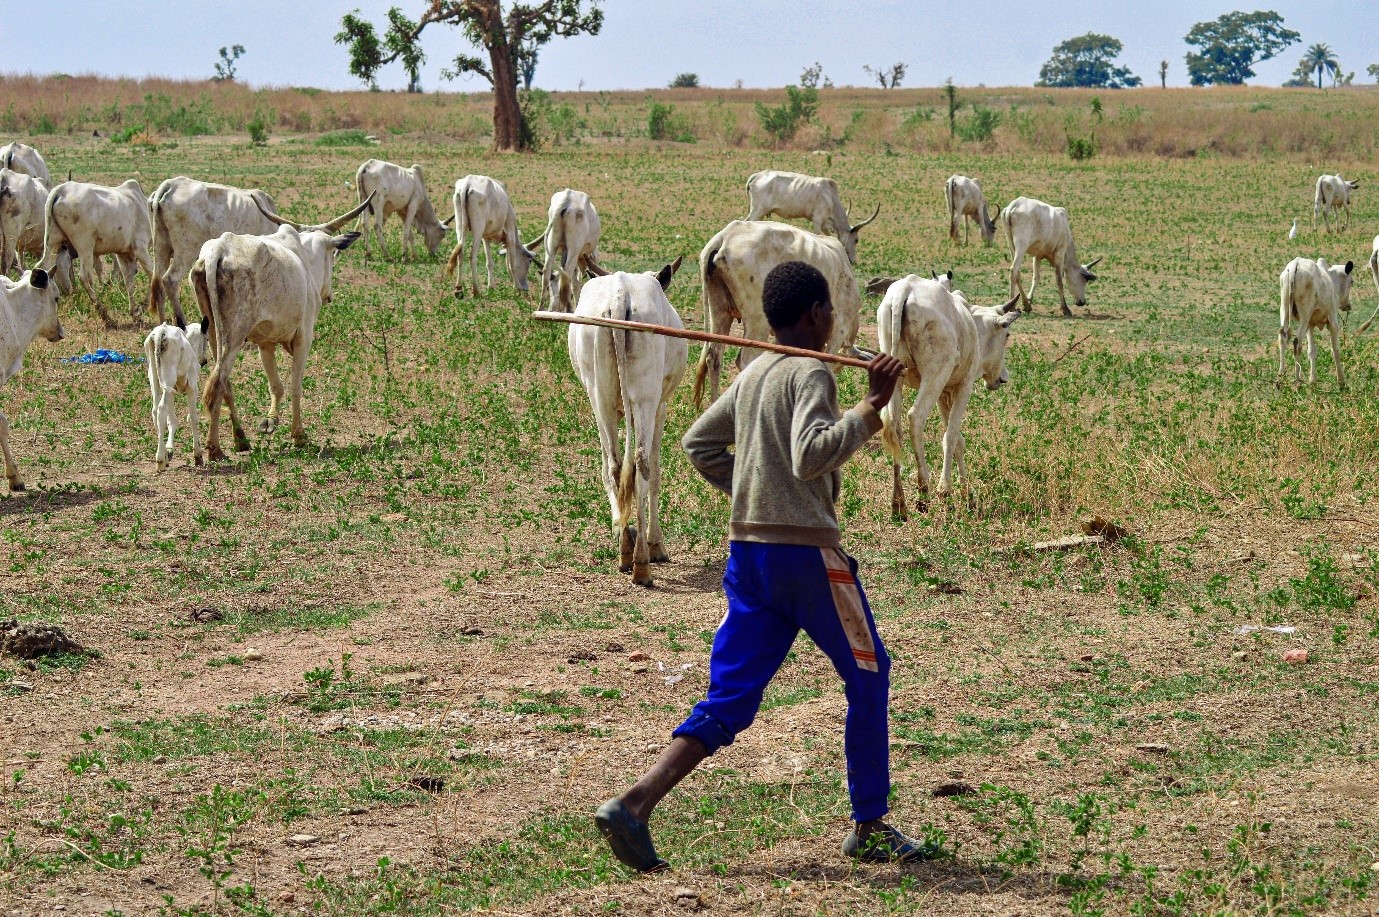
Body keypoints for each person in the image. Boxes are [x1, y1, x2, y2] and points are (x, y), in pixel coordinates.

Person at [595, 260, 933, 872]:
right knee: (869, 674)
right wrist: (872, 407)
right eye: (829, 310)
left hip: (748, 558)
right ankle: (871, 823)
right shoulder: (812, 375)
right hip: (807, 561)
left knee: (730, 698)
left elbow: (698, 445)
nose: (833, 320)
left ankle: (635, 802)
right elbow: (810, 456)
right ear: (812, 316)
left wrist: (755, 492)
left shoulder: (754, 374)